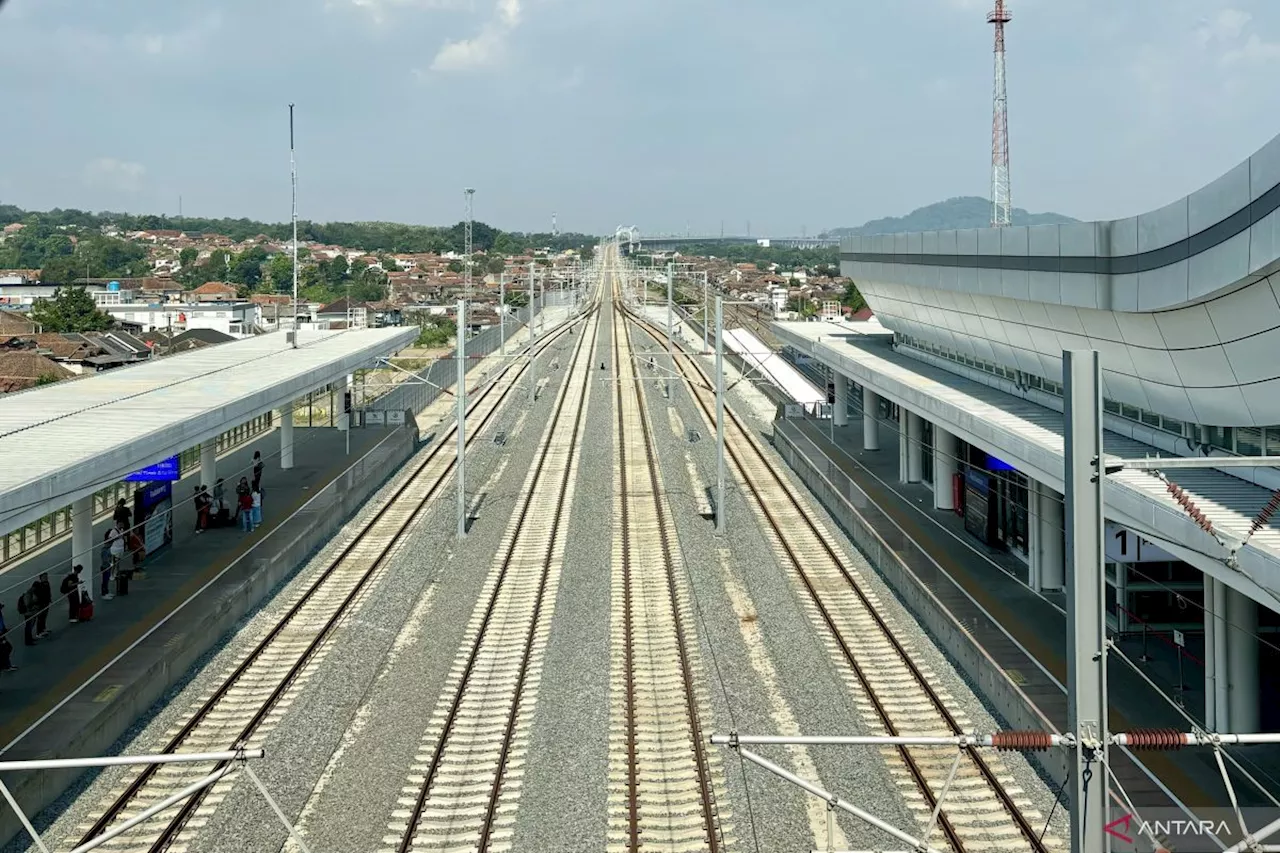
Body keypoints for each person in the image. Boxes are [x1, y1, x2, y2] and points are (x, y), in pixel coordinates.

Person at [34, 572, 51, 638]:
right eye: (44, 577)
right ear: (41, 578)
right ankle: (39, 632)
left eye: (46, 576)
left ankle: (43, 629)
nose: (46, 578)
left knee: (44, 617)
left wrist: (49, 598)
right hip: (41, 604)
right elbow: (38, 595)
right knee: (40, 618)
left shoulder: (47, 583)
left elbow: (48, 592)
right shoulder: (39, 585)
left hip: (46, 603)